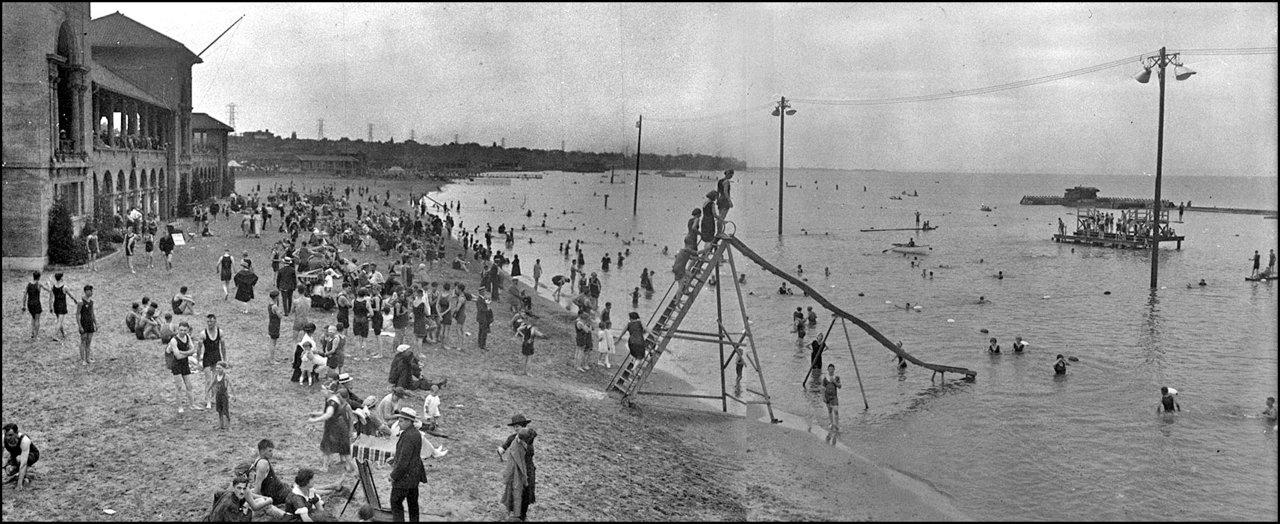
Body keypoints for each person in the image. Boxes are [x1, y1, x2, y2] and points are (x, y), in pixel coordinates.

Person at [389, 407, 428, 522]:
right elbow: (409, 455)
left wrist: (393, 476)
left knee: (395, 503)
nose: (398, 423)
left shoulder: (408, 436)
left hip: (405, 478)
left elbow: (403, 462)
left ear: (408, 422)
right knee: (413, 504)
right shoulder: (415, 433)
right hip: (414, 476)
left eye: (401, 421)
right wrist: (395, 458)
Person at [498, 414, 537, 521]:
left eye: (518, 426)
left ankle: (523, 515)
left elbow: (530, 437)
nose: (516, 428)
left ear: (524, 426)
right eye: (514, 426)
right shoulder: (513, 437)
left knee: (526, 493)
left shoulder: (529, 435)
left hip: (528, 470)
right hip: (517, 471)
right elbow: (505, 445)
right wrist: (501, 448)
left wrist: (522, 438)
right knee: (514, 490)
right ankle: (514, 513)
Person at [206, 471, 288, 521]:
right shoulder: (234, 503)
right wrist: (268, 501)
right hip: (235, 517)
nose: (254, 474)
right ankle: (287, 517)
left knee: (262, 501)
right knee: (264, 504)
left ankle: (286, 516)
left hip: (211, 518)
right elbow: (255, 506)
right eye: (252, 472)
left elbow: (217, 494)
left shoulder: (232, 488)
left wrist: (216, 510)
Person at [168, 321, 201, 413]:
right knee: (178, 386)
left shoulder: (187, 337)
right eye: (181, 330)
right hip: (176, 364)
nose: (182, 332)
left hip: (184, 363)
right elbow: (177, 356)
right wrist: (188, 353)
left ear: (187, 330)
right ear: (178, 329)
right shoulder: (174, 340)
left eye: (184, 330)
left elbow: (193, 349)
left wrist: (184, 353)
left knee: (189, 385)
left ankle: (192, 404)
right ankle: (180, 407)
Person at [199, 314, 228, 409]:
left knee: (216, 380)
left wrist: (224, 359)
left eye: (211, 321)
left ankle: (213, 398)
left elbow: (223, 347)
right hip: (207, 358)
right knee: (208, 380)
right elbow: (199, 348)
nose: (209, 323)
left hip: (216, 357)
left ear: (215, 322)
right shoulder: (203, 334)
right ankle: (208, 401)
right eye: (208, 322)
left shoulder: (220, 332)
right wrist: (198, 360)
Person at [3, 423, 39, 489]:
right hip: (15, 455)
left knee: (19, 459)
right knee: (9, 470)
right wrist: (5, 465)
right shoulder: (3, 439)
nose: (8, 438)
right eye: (6, 435)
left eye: (10, 435)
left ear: (16, 433)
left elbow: (23, 464)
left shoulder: (24, 440)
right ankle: (20, 474)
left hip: (31, 454)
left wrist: (19, 485)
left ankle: (25, 476)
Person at [67, 284, 97, 366]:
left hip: (90, 323)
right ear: (87, 291)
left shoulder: (91, 302)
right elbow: (77, 314)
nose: (92, 292)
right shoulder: (80, 302)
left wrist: (95, 323)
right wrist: (79, 326)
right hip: (84, 323)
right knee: (83, 341)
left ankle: (88, 358)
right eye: (91, 291)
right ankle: (83, 359)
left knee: (89, 342)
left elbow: (92, 313)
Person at [211, 362, 232, 430]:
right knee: (219, 410)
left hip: (224, 395)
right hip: (218, 395)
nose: (217, 369)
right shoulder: (216, 376)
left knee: (225, 411)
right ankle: (221, 424)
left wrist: (234, 395)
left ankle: (229, 425)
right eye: (217, 368)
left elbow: (231, 385)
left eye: (219, 368)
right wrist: (208, 390)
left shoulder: (226, 376)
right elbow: (213, 383)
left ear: (223, 369)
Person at [23, 271, 43, 341]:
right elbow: (48, 290)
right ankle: (36, 337)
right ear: (39, 277)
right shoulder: (39, 284)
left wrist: (23, 305)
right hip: (37, 303)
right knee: (37, 320)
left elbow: (25, 295)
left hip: (29, 304)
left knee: (33, 318)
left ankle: (32, 333)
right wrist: (49, 284)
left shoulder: (28, 284)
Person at [822, 364, 842, 431]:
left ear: (834, 370)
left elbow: (839, 386)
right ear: (828, 370)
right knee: (830, 410)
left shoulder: (836, 377)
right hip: (827, 396)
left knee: (836, 410)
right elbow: (823, 388)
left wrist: (834, 381)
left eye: (832, 369)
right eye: (829, 369)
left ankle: (837, 425)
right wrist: (823, 397)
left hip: (834, 396)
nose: (831, 370)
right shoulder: (825, 378)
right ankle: (831, 423)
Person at [49, 272, 68, 340]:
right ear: (61, 278)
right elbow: (70, 295)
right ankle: (55, 335)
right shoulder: (64, 287)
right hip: (62, 305)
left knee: (59, 320)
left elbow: (50, 298)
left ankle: (63, 333)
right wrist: (75, 299)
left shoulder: (53, 286)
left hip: (55, 304)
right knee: (60, 321)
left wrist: (50, 307)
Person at [267, 290, 283, 363]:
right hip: (275, 325)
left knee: (272, 342)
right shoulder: (275, 307)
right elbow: (280, 316)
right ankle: (272, 359)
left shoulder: (270, 305)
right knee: (273, 343)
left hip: (271, 324)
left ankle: (272, 357)